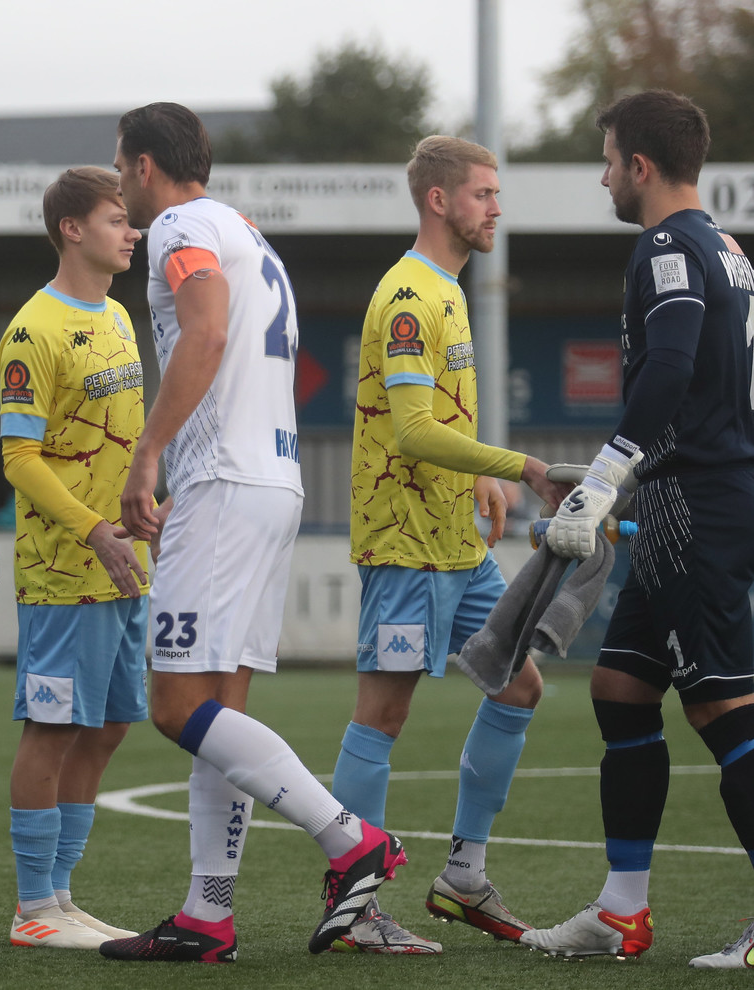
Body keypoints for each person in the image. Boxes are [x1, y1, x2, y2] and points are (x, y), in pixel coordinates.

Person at [100, 102, 405, 964]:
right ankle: (207, 915)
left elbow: (207, 332)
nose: (121, 186)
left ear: (147, 166)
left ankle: (350, 840)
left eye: (122, 168)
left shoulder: (181, 228)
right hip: (271, 479)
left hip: (222, 484)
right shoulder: (246, 232)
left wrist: (146, 454)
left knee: (176, 705)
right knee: (217, 711)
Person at [525, 90, 754, 968]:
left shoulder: (665, 244)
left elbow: (670, 363)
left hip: (695, 501)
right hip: (684, 498)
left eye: (610, 159)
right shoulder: (726, 248)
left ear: (642, 167)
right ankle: (621, 913)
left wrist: (607, 471)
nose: (604, 176)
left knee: (723, 705)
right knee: (619, 688)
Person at [332, 135, 569, 953]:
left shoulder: (450, 291)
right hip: (400, 542)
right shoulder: (408, 294)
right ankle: (355, 906)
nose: (495, 207)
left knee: (518, 689)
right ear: (438, 200)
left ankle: (462, 877)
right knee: (383, 714)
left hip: (452, 542)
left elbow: (440, 420)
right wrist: (523, 466)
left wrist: (476, 479)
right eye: (481, 194)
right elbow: (409, 428)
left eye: (495, 194)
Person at [0, 167, 148, 950]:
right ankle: (31, 910)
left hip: (125, 569)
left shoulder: (120, 318)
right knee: (51, 730)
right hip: (63, 569)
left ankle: (60, 896)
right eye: (117, 219)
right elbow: (19, 458)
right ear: (71, 229)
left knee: (111, 725)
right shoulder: (32, 331)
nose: (131, 231)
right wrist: (91, 527)